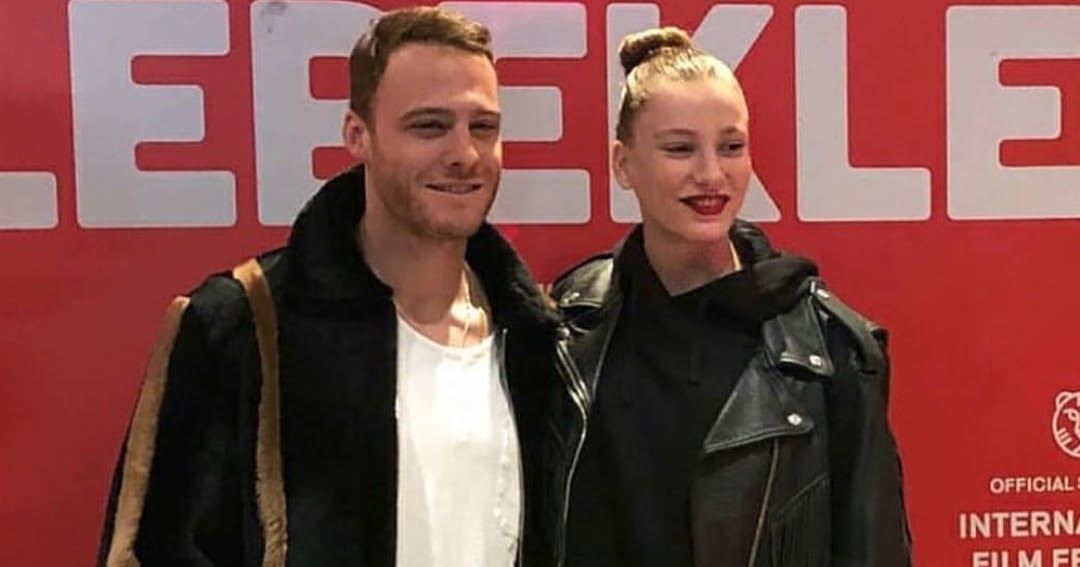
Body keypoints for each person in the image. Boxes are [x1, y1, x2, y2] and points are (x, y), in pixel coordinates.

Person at [98, 7, 573, 566]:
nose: (463, 154)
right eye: (429, 126)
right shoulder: (240, 328)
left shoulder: (537, 341)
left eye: (483, 127)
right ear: (357, 135)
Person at [549, 27, 913, 567]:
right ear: (622, 164)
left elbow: (873, 548)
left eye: (731, 147)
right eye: (680, 149)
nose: (711, 174)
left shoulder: (830, 347)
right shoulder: (567, 326)